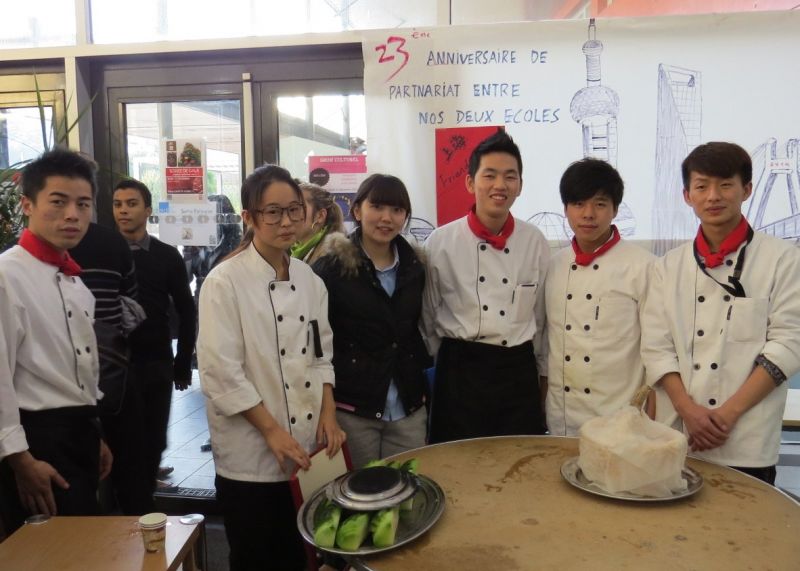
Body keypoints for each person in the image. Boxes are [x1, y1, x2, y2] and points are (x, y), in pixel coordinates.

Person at [197, 165, 345, 571]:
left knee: (302, 554)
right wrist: (272, 431)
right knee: (256, 558)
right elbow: (221, 374)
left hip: (306, 447)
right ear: (249, 217)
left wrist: (329, 413)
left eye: (294, 210)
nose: (286, 222)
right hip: (251, 455)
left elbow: (321, 353)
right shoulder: (224, 282)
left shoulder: (310, 280)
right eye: (273, 212)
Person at [642, 141, 800, 485]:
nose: (713, 196)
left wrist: (727, 415)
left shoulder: (783, 259)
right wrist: (688, 410)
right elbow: (656, 348)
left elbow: (788, 344)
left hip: (746, 438)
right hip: (678, 435)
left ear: (747, 189)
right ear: (687, 196)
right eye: (701, 186)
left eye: (725, 184)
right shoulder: (667, 267)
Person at [0, 148, 112, 533]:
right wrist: (20, 459)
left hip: (78, 431)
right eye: (59, 202)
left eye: (83, 204)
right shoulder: (7, 276)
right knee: (47, 550)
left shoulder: (75, 283)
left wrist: (94, 435)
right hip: (35, 441)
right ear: (27, 205)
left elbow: (77, 371)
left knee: (85, 542)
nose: (73, 215)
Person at [421, 129, 550, 443]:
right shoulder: (441, 241)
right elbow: (427, 316)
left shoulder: (534, 241)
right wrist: (448, 364)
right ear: (470, 182)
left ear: (520, 185)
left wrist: (540, 374)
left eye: (510, 176)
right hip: (459, 372)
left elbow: (540, 317)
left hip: (516, 372)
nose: (500, 185)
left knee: (518, 461)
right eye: (489, 175)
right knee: (455, 462)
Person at [312, 174, 430, 469]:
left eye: (397, 210)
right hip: (354, 410)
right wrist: (326, 409)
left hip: (407, 409)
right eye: (377, 207)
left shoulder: (415, 266)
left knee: (408, 486)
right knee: (359, 489)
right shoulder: (331, 268)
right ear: (357, 210)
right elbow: (317, 345)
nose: (386, 218)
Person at [544, 158, 655, 435]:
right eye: (578, 204)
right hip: (561, 419)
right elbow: (547, 345)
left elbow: (656, 350)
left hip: (619, 420)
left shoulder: (644, 266)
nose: (588, 214)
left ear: (615, 209)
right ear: (565, 209)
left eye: (600, 204)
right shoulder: (553, 266)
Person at [112, 179, 196, 498]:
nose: (123, 210)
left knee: (155, 439)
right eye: (118, 204)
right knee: (122, 441)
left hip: (156, 360)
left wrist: (183, 362)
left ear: (148, 210)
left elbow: (186, 311)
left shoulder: (167, 255)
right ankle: (128, 506)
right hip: (115, 365)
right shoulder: (105, 252)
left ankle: (144, 501)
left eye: (131, 204)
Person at [70, 222, 151, 514]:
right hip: (113, 365)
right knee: (131, 468)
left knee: (77, 477)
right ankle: (140, 531)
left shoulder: (24, 259)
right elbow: (131, 301)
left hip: (68, 377)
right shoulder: (113, 242)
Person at [290, 181, 345, 265]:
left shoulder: (332, 260)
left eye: (295, 209)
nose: (286, 218)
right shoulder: (296, 251)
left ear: (320, 216)